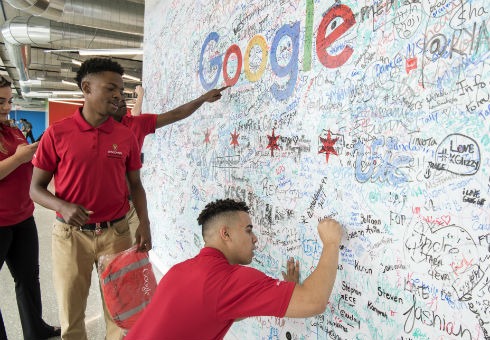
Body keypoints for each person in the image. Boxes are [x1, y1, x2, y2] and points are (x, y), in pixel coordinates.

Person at [29, 58, 152, 340]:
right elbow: (35, 188)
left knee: (121, 316)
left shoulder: (125, 136)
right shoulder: (57, 134)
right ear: (86, 87)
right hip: (71, 237)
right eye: (110, 88)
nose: (118, 95)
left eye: (121, 90)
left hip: (118, 234)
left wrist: (144, 223)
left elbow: (136, 184)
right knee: (71, 317)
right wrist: (62, 206)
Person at [125, 198, 342, 340]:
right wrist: (331, 243)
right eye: (248, 230)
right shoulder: (228, 281)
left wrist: (286, 294)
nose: (255, 239)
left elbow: (224, 311)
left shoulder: (178, 271)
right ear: (225, 234)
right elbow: (315, 301)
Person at [112, 85, 228, 240]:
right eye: (114, 96)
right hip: (100, 207)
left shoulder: (135, 124)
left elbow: (176, 114)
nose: (121, 99)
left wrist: (202, 99)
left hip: (127, 204)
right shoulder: (94, 131)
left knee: (128, 255)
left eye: (121, 94)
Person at [0, 76, 60, 339]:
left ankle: (35, 330)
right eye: (0, 101)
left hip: (23, 216)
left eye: (9, 100)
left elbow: (25, 161)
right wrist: (19, 157)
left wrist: (36, 150)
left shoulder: (10, 129)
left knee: (28, 279)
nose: (6, 106)